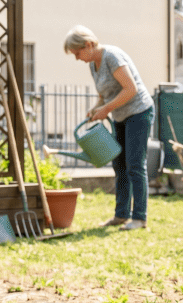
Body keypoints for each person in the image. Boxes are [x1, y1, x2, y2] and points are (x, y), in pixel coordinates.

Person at [62, 25, 155, 230]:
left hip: (139, 112)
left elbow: (131, 89)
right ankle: (121, 215)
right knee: (119, 165)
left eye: (77, 53)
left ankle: (139, 218)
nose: (77, 58)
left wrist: (106, 109)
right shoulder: (92, 64)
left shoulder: (112, 56)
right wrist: (96, 108)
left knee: (135, 165)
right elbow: (105, 94)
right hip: (120, 115)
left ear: (88, 44)